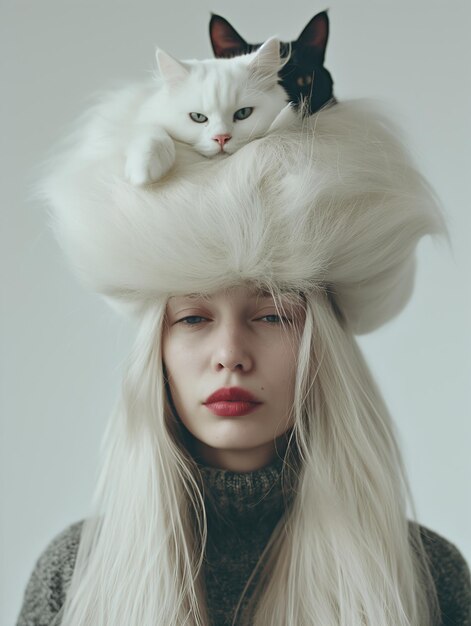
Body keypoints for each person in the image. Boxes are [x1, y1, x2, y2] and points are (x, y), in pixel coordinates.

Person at [17, 102, 470, 625]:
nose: (230, 354)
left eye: (273, 315)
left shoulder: (426, 577)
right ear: (156, 352)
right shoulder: (76, 575)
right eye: (192, 319)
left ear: (323, 347)